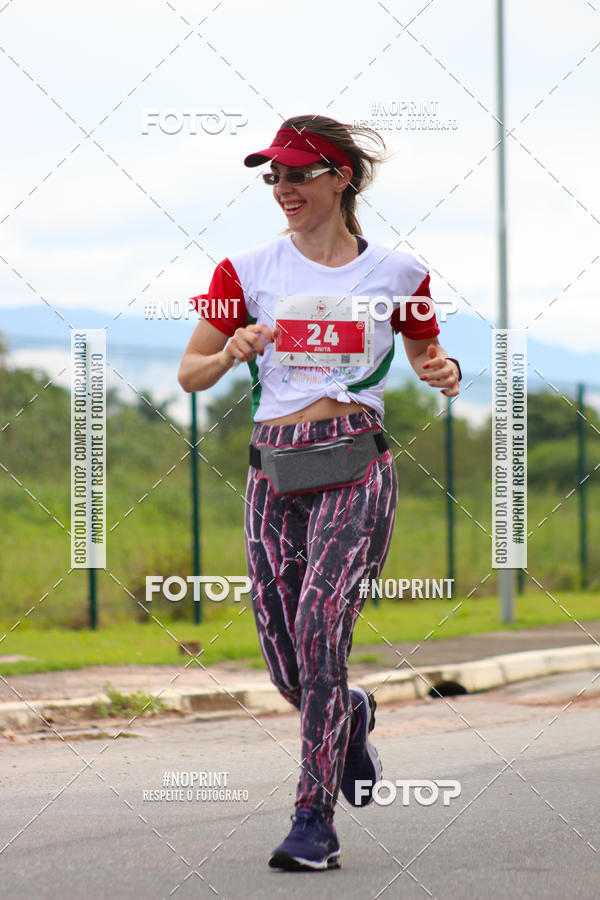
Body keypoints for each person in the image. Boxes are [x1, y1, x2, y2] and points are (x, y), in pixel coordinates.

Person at [178, 114, 461, 871]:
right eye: (274, 175)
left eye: (299, 173)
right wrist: (231, 345)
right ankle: (351, 715)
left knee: (320, 630)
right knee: (285, 662)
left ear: (342, 178)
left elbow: (429, 352)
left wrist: (446, 372)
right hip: (275, 468)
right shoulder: (242, 272)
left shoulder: (399, 272)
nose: (284, 187)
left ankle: (313, 822)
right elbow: (190, 372)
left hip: (356, 464)